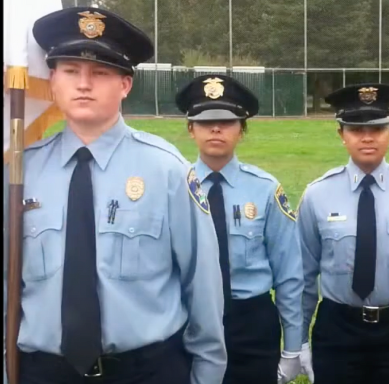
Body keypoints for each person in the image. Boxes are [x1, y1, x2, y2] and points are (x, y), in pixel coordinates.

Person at [2, 6, 227, 384]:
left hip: (145, 370)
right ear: (53, 80)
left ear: (125, 85)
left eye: (101, 73)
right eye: (71, 71)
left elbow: (201, 284)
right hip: (44, 371)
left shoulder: (166, 170)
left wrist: (206, 374)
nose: (84, 83)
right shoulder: (21, 173)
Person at [296, 83, 389, 384]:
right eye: (355, 128)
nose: (367, 137)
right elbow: (303, 277)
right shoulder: (317, 195)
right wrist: (298, 341)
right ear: (341, 134)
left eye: (377, 128)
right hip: (338, 329)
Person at [175, 74, 304, 384]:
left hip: (252, 324)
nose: (216, 128)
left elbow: (289, 273)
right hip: (187, 319)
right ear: (191, 129)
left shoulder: (265, 189)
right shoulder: (173, 187)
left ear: (241, 130)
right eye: (206, 122)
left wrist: (293, 347)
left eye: (227, 121)